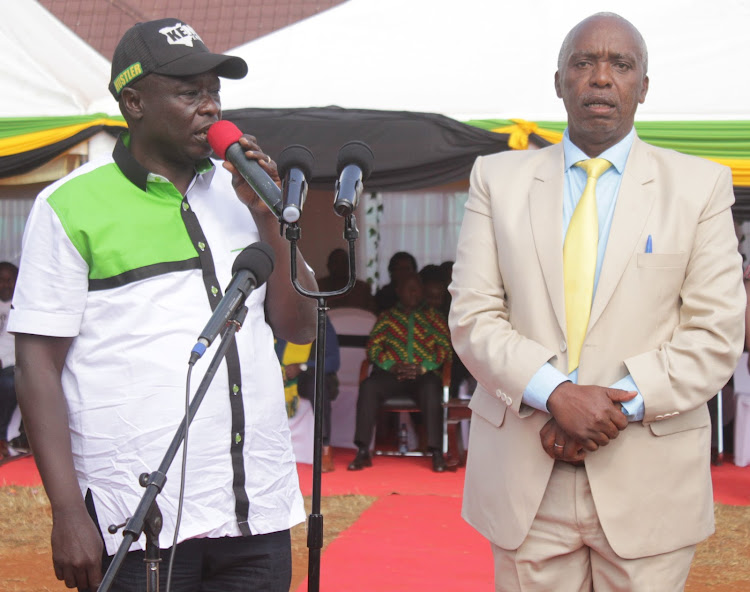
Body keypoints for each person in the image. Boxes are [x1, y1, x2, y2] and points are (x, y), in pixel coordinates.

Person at [8, 18, 317, 592]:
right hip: (137, 518)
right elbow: (37, 366)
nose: (212, 108)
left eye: (214, 91)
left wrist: (269, 219)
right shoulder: (69, 206)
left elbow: (298, 324)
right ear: (134, 102)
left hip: (254, 512)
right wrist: (68, 512)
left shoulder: (238, 192)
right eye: (189, 92)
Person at [448, 12, 745, 591]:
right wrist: (555, 393)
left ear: (644, 87)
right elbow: (473, 315)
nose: (601, 78)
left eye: (621, 65)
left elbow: (715, 334)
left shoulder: (700, 186)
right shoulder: (496, 179)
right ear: (559, 81)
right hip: (527, 477)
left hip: (647, 482)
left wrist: (608, 410)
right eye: (584, 63)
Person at [349, 271, 452, 473]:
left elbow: (445, 349)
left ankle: (437, 453)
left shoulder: (434, 318)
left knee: (432, 389)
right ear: (399, 292)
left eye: (418, 289)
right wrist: (391, 365)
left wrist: (424, 367)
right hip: (391, 375)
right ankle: (362, 450)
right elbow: (373, 348)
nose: (415, 293)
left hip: (422, 375)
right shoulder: (387, 317)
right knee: (369, 386)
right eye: (409, 289)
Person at [275, 314, 341, 472]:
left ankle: (324, 448)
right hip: (275, 375)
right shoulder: (275, 316)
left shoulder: (320, 320)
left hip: (306, 378)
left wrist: (302, 366)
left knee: (317, 384)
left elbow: (334, 361)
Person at [316, 247, 375, 312]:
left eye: (344, 262)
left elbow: (371, 316)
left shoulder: (362, 289)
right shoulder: (318, 288)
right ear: (328, 265)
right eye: (336, 262)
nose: (340, 266)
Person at [0, 261, 18, 461]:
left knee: (8, 384)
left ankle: (2, 438)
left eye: (9, 280)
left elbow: (15, 344)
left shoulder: (20, 307)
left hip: (10, 364)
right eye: (1, 280)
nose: (5, 284)